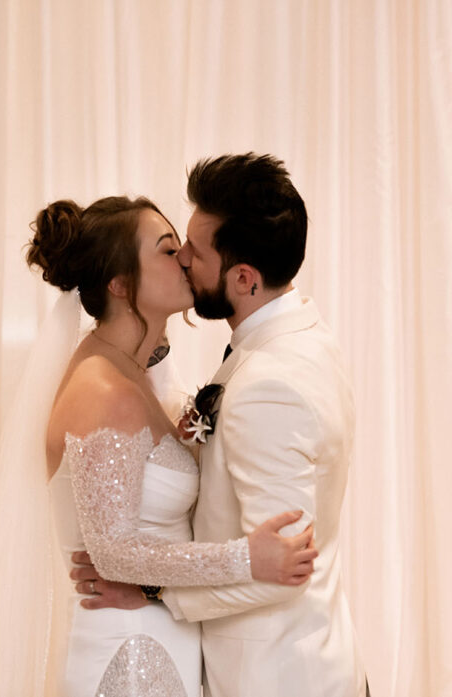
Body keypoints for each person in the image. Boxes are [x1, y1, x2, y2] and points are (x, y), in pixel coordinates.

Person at [71, 154, 368, 697]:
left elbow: (279, 571)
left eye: (194, 251)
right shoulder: (297, 336)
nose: (182, 259)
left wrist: (154, 592)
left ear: (244, 279)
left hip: (278, 679)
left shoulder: (269, 384)